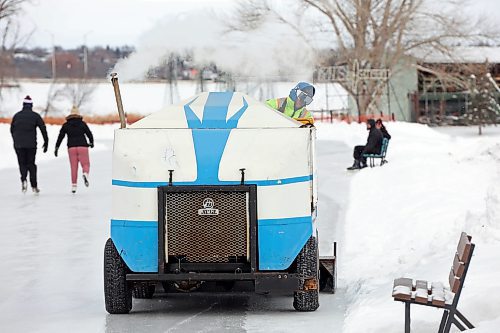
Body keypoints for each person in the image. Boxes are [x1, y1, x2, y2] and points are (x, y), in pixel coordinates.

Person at [10, 95, 49, 194]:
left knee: (22, 163)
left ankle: (23, 180)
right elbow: (43, 128)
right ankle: (34, 186)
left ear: (23, 105)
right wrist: (46, 141)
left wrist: (15, 140)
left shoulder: (17, 115)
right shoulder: (35, 116)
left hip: (18, 144)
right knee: (31, 164)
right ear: (31, 105)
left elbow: (12, 129)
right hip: (31, 145)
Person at [54, 106, 94, 193]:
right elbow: (89, 133)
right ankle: (85, 174)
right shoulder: (82, 124)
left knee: (73, 167)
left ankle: (74, 186)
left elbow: (60, 136)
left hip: (71, 147)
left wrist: (57, 147)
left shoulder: (66, 125)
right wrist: (91, 142)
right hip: (82, 146)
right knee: (86, 164)